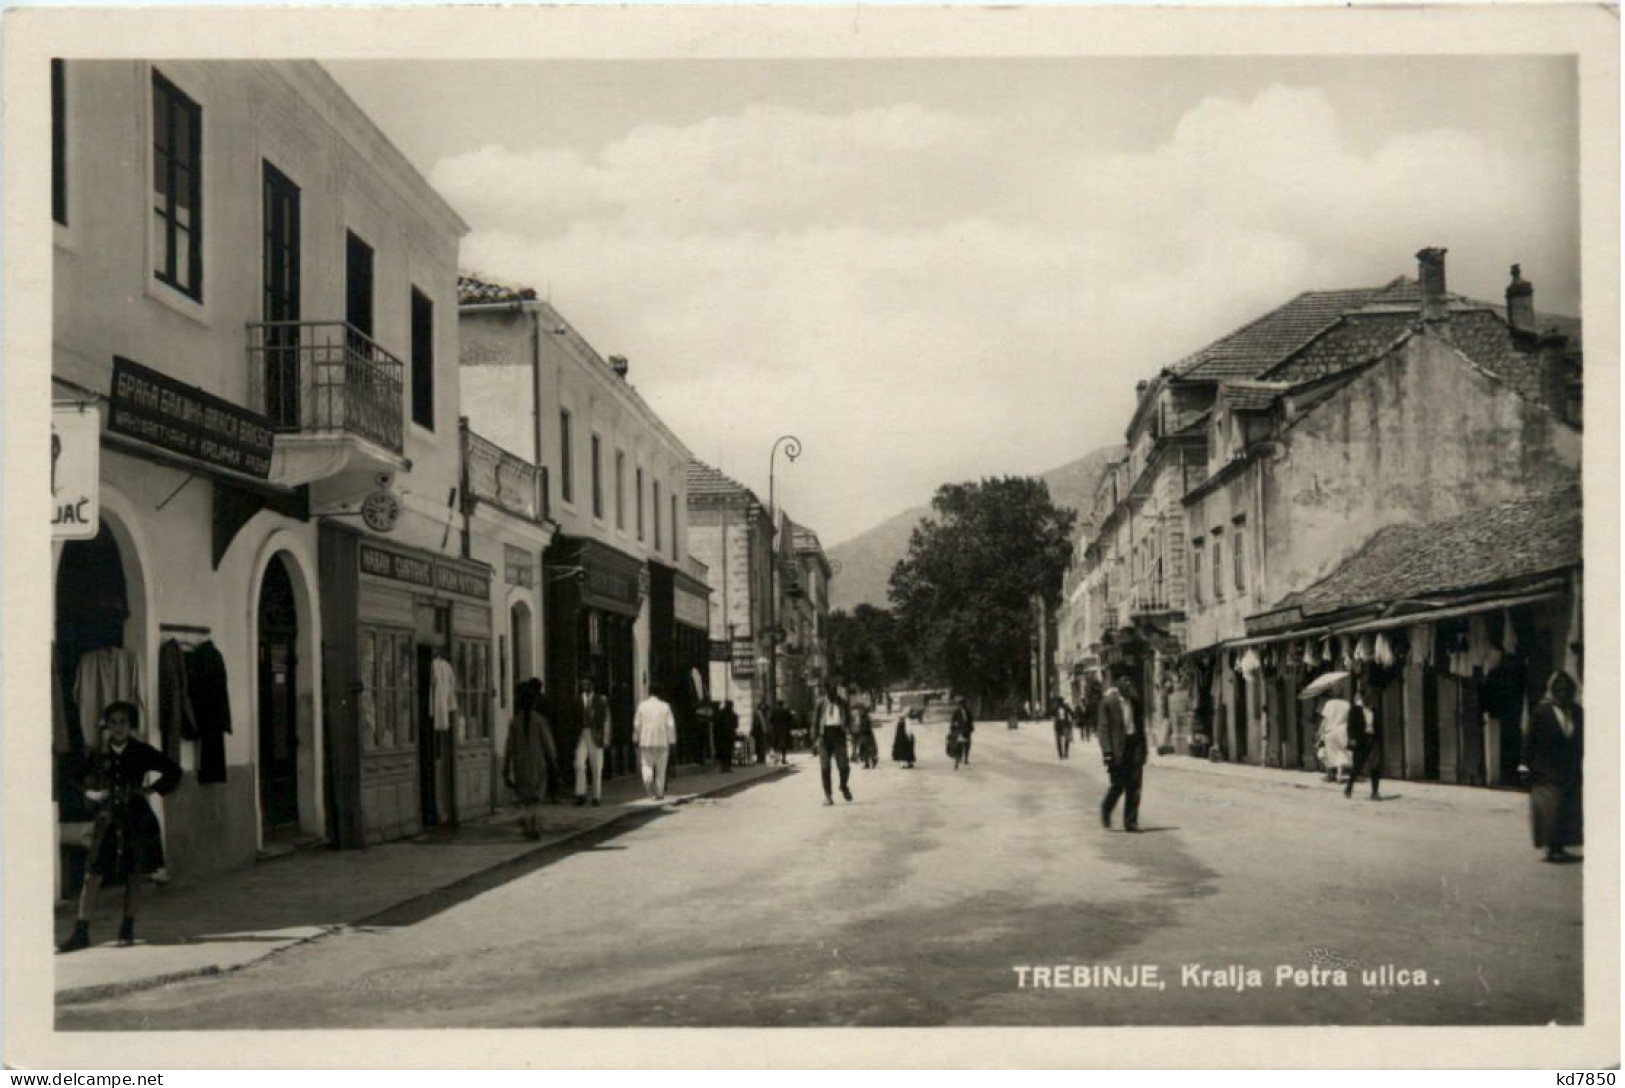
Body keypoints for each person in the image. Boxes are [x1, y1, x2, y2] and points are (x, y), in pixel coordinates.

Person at [58, 702, 182, 953]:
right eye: (113, 722)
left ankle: (127, 928)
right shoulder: (97, 754)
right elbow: (71, 777)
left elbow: (174, 771)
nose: (118, 727)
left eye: (123, 722)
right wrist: (90, 792)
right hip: (106, 819)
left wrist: (151, 789)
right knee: (92, 874)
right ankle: (81, 932)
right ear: (107, 725)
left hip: (136, 819)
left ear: (131, 726)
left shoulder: (141, 751)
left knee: (133, 874)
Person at [1520, 670, 1583, 863]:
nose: (1562, 691)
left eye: (1566, 688)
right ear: (1552, 689)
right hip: (1545, 768)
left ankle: (1560, 847)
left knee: (1567, 808)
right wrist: (1524, 764)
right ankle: (1552, 848)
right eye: (1558, 687)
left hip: (1569, 768)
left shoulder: (1578, 712)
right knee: (1550, 809)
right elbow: (1529, 740)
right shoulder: (1542, 712)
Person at [1098, 675, 1147, 832]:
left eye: (1129, 680)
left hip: (1134, 745)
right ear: (1117, 684)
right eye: (1125, 680)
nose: (1128, 683)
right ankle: (1106, 808)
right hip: (1118, 748)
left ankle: (1130, 822)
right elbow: (1103, 729)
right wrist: (1107, 751)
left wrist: (1143, 749)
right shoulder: (1108, 702)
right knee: (1118, 785)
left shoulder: (1135, 701)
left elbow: (1140, 726)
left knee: (1135, 786)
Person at [504, 679, 550, 839]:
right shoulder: (539, 720)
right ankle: (533, 826)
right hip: (538, 764)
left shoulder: (515, 722)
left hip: (520, 765)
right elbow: (548, 743)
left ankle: (528, 826)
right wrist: (553, 761)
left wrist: (505, 768)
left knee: (525, 798)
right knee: (535, 798)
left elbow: (509, 747)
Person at [634, 684, 678, 802]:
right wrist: (672, 741)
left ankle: (648, 783)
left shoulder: (642, 706)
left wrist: (636, 738)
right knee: (661, 768)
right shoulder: (665, 706)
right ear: (660, 693)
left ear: (649, 692)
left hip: (646, 741)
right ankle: (659, 793)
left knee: (647, 765)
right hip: (662, 742)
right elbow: (670, 725)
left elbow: (637, 724)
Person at [811, 683, 854, 804]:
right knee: (825, 768)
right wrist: (814, 740)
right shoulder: (820, 704)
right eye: (829, 693)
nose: (832, 696)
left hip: (839, 735)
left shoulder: (843, 703)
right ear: (826, 692)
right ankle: (828, 795)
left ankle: (843, 785)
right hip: (824, 737)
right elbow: (815, 721)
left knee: (844, 766)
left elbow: (849, 719)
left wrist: (853, 734)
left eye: (834, 693)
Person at [574, 676, 610, 806]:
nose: (585, 687)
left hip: (596, 734)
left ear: (593, 685)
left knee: (596, 766)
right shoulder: (578, 700)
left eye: (588, 684)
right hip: (582, 734)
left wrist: (606, 737)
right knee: (579, 764)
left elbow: (606, 719)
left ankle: (596, 796)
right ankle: (580, 794)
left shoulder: (601, 700)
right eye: (583, 684)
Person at [1344, 681, 1383, 801]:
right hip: (1361, 740)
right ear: (1363, 697)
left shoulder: (1375, 711)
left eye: (1372, 697)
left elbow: (1379, 727)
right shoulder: (1355, 710)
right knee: (1357, 766)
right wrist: (1352, 739)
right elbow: (1350, 726)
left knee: (1375, 766)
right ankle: (1349, 785)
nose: (1370, 699)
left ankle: (1375, 792)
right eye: (1368, 696)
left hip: (1373, 740)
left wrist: (1379, 740)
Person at [1317, 684, 1353, 785]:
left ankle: (1329, 775)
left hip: (1330, 731)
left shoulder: (1329, 703)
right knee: (1341, 751)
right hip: (1342, 731)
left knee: (1328, 752)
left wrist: (1320, 732)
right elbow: (1349, 720)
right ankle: (1339, 776)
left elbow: (1325, 720)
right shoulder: (1347, 704)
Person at [713, 699, 739, 773]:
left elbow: (717, 725)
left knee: (724, 752)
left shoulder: (721, 713)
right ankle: (726, 767)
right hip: (727, 736)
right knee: (727, 752)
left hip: (723, 736)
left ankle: (725, 767)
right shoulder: (732, 714)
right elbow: (736, 725)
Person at [951, 697, 976, 767]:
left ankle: (966, 758)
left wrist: (972, 728)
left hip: (967, 730)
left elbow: (971, 720)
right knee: (959, 744)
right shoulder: (956, 711)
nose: (965, 705)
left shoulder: (968, 711)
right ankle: (958, 758)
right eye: (964, 704)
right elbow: (953, 720)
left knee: (967, 744)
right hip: (959, 730)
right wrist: (952, 729)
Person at [770, 700, 794, 766]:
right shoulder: (786, 711)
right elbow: (791, 719)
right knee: (783, 745)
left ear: (777, 704)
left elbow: (771, 720)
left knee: (775, 745)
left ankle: (775, 760)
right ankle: (783, 759)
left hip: (775, 730)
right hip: (784, 730)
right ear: (782, 704)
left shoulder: (774, 711)